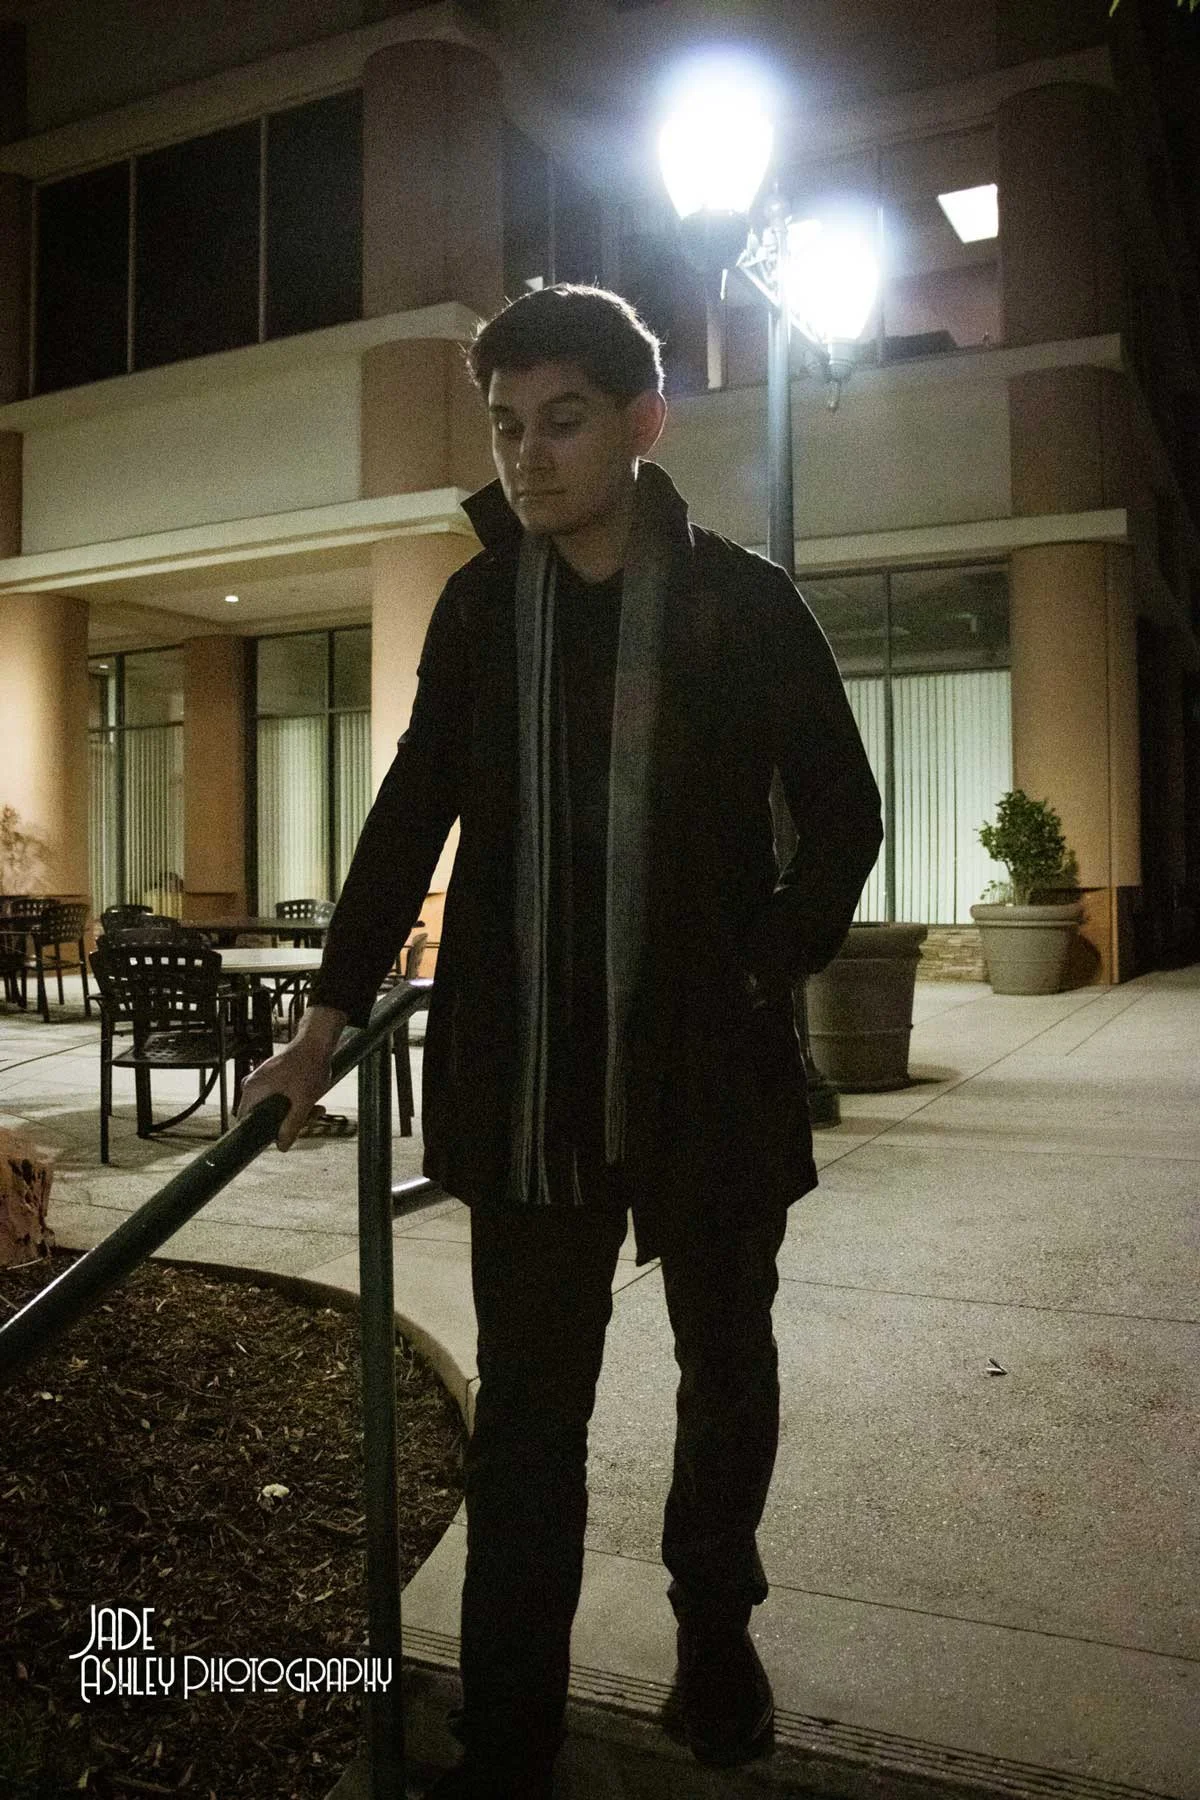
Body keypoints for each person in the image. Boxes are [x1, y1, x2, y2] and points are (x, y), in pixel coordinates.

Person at [237, 284, 883, 1800]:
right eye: (507, 426)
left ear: (644, 422)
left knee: (728, 1369)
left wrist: (760, 968)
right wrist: (322, 1027)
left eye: (564, 420)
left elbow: (845, 819)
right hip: (525, 1082)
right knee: (532, 1413)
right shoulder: (480, 609)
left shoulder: (743, 601)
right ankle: (508, 1725)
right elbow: (409, 822)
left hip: (706, 1078)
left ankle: (714, 1633)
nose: (528, 456)